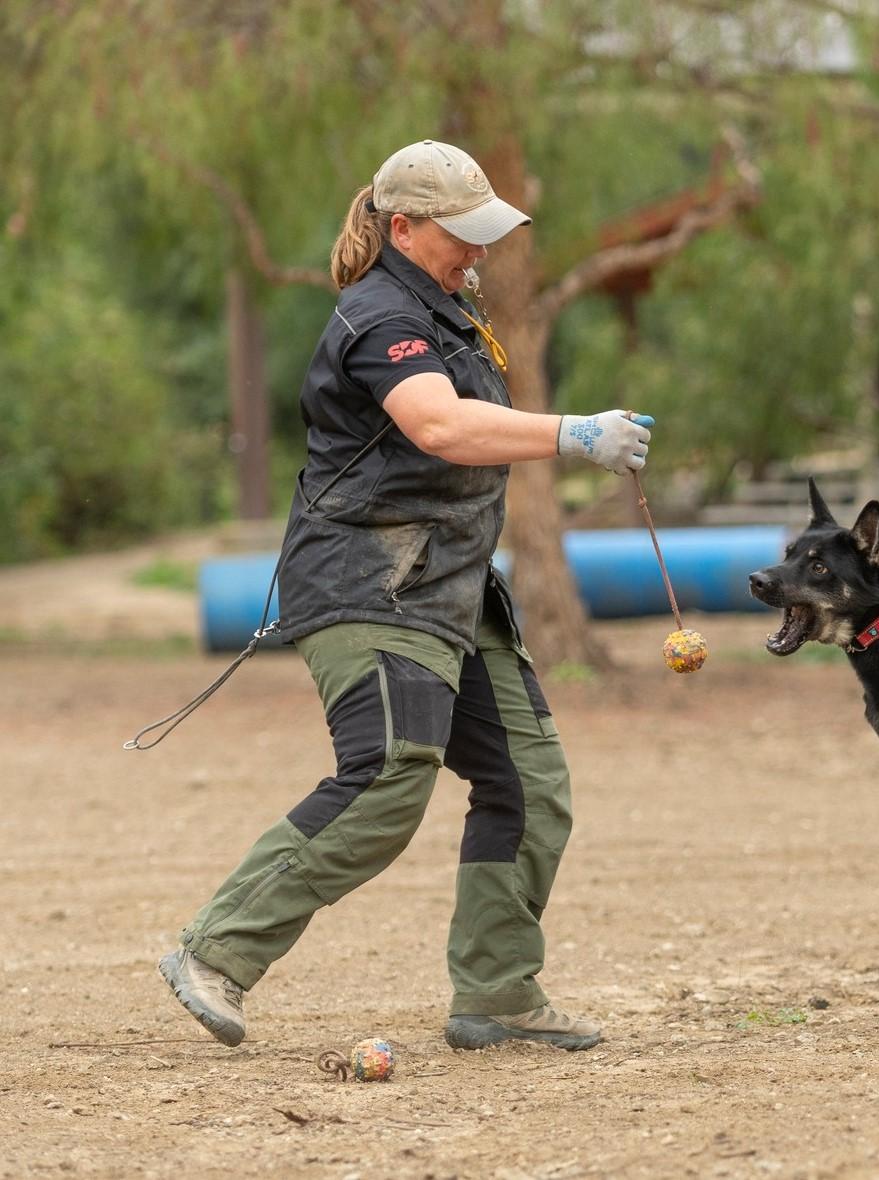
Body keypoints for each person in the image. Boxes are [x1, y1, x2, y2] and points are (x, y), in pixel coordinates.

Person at [158, 140, 652, 1052]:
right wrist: (574, 433)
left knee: (529, 786)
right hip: (368, 588)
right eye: (461, 236)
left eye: (486, 234)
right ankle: (215, 950)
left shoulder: (453, 316)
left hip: (453, 597)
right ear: (403, 229)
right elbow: (436, 424)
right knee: (387, 776)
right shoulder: (381, 316)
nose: (479, 252)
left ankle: (498, 993)